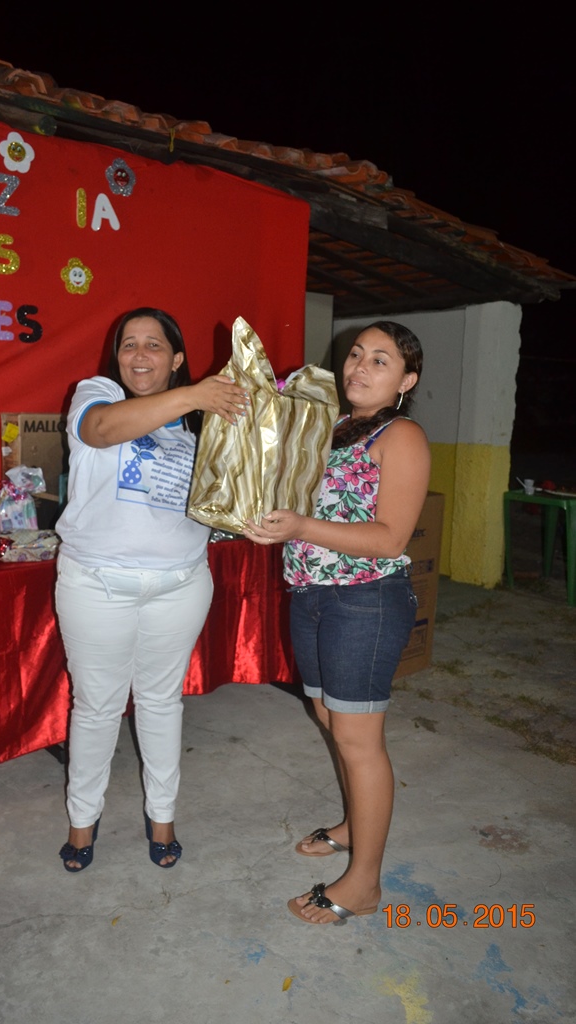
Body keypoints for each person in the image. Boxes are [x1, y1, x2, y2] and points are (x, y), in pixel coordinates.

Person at [246, 320, 430, 924]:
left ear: (406, 380)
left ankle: (365, 884)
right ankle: (354, 825)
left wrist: (298, 527)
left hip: (367, 600)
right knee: (328, 714)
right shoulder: (329, 429)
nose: (360, 367)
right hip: (312, 594)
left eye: (380, 361)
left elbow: (390, 536)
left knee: (359, 739)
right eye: (356, 354)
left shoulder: (401, 436)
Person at [55, 307, 249, 872]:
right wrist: (193, 396)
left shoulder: (201, 424)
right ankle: (81, 820)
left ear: (177, 359)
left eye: (154, 345)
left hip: (181, 584)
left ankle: (161, 817)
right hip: (96, 583)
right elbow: (103, 431)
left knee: (162, 703)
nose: (139, 355)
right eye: (129, 345)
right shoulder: (94, 394)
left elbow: (225, 498)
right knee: (97, 708)